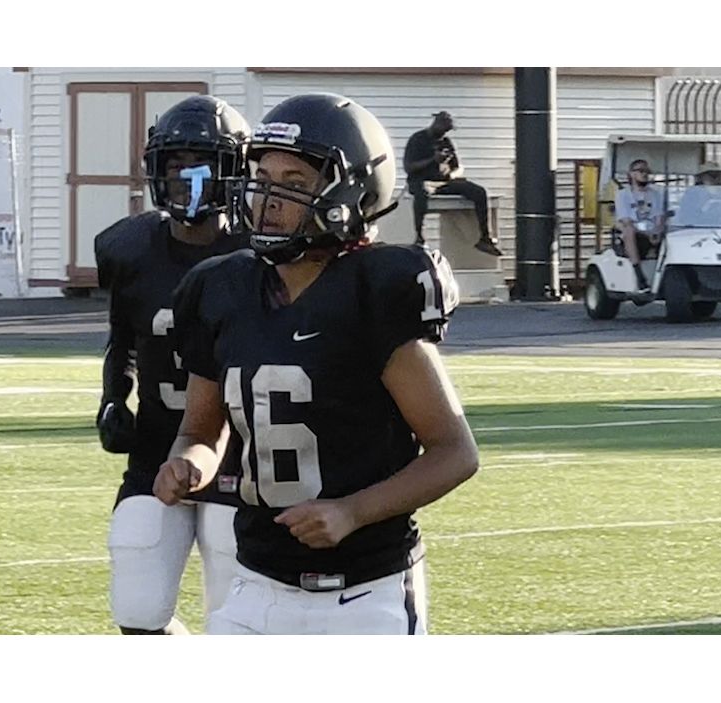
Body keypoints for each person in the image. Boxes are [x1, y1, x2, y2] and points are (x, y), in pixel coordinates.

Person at [153, 93, 479, 635]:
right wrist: (187, 463)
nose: (267, 197)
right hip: (254, 585)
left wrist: (352, 511)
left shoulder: (376, 291)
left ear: (351, 195)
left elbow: (455, 453)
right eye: (262, 177)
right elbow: (200, 433)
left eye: (295, 182)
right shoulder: (221, 289)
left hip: (365, 592)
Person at [93, 94, 250, 635]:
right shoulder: (130, 248)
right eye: (174, 164)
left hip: (244, 457)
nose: (186, 177)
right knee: (137, 610)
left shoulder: (263, 253)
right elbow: (123, 338)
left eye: (200, 163)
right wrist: (113, 399)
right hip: (157, 447)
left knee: (235, 617)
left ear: (233, 170)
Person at [403, 111, 502, 256]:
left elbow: (458, 167)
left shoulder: (446, 142)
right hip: (424, 181)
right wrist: (433, 160)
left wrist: (452, 174)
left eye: (447, 130)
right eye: (444, 129)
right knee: (421, 191)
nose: (445, 133)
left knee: (479, 192)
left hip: (445, 182)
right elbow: (409, 167)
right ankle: (419, 235)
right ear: (437, 123)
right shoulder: (418, 139)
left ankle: (485, 238)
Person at [614, 158, 668, 289]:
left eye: (647, 171)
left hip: (652, 232)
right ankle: (639, 275)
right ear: (632, 174)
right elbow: (626, 220)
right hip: (636, 233)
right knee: (628, 230)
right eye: (641, 171)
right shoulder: (623, 195)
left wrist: (657, 232)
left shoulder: (655, 194)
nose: (645, 174)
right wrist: (646, 234)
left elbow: (659, 217)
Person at [674, 161, 721, 227]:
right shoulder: (691, 194)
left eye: (720, 175)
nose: (717, 179)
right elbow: (685, 218)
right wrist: (704, 208)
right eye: (713, 175)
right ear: (702, 177)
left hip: (719, 229)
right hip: (696, 229)